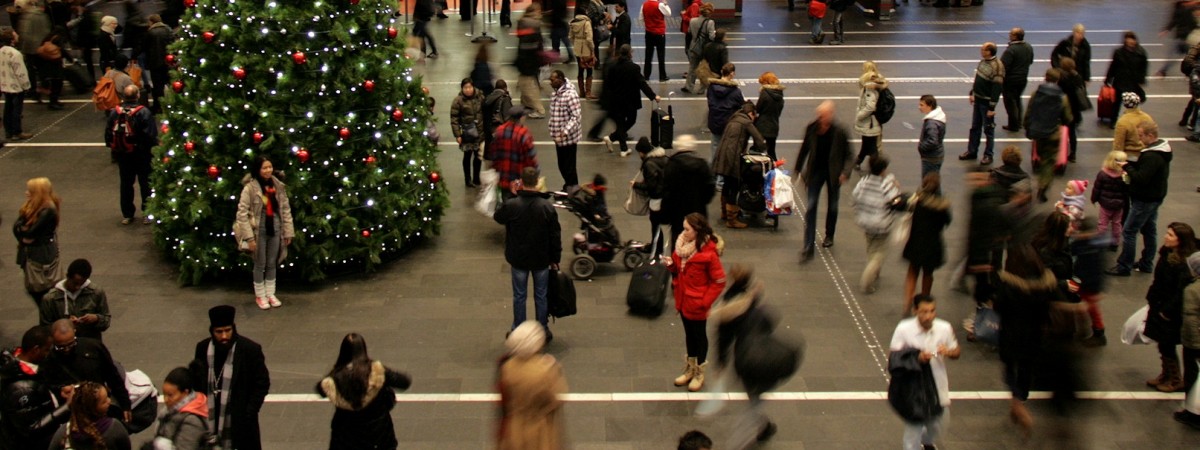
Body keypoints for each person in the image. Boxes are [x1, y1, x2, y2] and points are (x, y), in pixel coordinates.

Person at [711, 267, 789, 447]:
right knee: (755, 400)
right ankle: (764, 425)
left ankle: (740, 442)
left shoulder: (728, 309)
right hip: (766, 356)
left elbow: (723, 340)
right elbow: (771, 321)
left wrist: (721, 363)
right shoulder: (756, 303)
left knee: (751, 407)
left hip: (747, 361)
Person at [992, 245, 1057, 437]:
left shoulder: (1008, 285)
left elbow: (998, 307)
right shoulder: (1046, 285)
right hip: (1035, 334)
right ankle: (1021, 398)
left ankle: (1017, 404)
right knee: (1027, 368)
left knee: (1009, 367)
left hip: (1011, 334)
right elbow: (1048, 310)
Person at [494, 167, 562, 339]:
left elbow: (498, 217)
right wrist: (555, 258)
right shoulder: (546, 206)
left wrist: (512, 195)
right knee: (541, 295)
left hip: (518, 257)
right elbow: (555, 235)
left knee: (519, 295)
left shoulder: (513, 204)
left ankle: (518, 329)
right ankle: (542, 330)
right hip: (541, 258)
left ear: (521, 182)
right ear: (538, 182)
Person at [191, 305, 271, 450]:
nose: (224, 336)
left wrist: (249, 412)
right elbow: (196, 381)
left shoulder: (249, 349)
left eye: (227, 330)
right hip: (209, 418)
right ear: (212, 331)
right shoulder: (202, 348)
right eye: (219, 332)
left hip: (241, 423)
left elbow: (262, 383)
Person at [888, 294, 960, 450]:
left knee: (939, 423)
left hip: (938, 385)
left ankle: (927, 442)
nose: (929, 316)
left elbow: (956, 351)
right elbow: (894, 356)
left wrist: (948, 352)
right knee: (913, 429)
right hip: (913, 387)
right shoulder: (903, 329)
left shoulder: (944, 328)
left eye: (932, 311)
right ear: (915, 311)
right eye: (924, 312)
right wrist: (917, 357)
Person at [317, 333, 413, 450]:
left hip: (346, 438)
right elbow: (404, 382)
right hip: (379, 436)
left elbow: (321, 389)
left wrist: (335, 371)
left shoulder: (334, 379)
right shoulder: (376, 372)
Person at [666, 213, 725, 392]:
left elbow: (719, 281)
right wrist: (671, 265)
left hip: (696, 303)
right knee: (689, 336)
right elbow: (678, 267)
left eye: (687, 229)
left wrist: (705, 301)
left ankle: (699, 371)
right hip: (683, 300)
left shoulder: (708, 254)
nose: (683, 232)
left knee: (699, 337)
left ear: (696, 231)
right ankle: (691, 369)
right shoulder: (682, 245)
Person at [1108, 120, 1172, 276]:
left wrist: (1126, 167)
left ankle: (1124, 265)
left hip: (1144, 199)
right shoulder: (1161, 151)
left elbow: (1141, 177)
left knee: (1129, 231)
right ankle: (1146, 263)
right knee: (1149, 230)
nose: (1139, 139)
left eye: (1141, 135)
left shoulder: (1151, 156)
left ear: (1150, 135)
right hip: (1155, 197)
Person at [1142, 223, 1198, 393]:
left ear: (1181, 240)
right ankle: (1166, 373)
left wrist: (1167, 311)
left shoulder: (1185, 264)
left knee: (1168, 343)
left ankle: (1175, 378)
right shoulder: (1166, 253)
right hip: (1159, 303)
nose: (1166, 237)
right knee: (1162, 343)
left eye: (1171, 235)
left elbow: (1181, 292)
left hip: (1171, 310)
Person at [234, 156, 295, 310]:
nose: (268, 170)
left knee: (272, 262)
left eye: (270, 167)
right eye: (264, 168)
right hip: (258, 230)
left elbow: (285, 209)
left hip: (275, 227)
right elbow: (242, 214)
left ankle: (271, 293)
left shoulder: (278, 186)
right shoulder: (250, 188)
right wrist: (249, 237)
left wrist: (288, 232)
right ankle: (260, 295)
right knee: (260, 263)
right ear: (258, 170)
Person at [40, 320, 131, 420]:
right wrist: (60, 389)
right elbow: (46, 385)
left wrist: (125, 404)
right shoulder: (48, 359)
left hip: (99, 407)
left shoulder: (93, 347)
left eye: (70, 345)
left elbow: (113, 377)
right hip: (71, 413)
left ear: (75, 332)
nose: (66, 350)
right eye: (61, 347)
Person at [795, 100, 853, 261]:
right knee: (811, 206)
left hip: (833, 173)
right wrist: (798, 169)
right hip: (815, 171)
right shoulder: (812, 128)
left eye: (823, 116)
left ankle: (829, 234)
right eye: (819, 116)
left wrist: (845, 173)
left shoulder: (840, 131)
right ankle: (808, 245)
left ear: (830, 115)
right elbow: (804, 148)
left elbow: (849, 155)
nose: (820, 119)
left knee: (833, 206)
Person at [495, 321, 567, 450]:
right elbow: (554, 400)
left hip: (515, 428)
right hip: (539, 429)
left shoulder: (508, 367)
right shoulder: (544, 371)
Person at [0, 325, 58, 450]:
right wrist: (66, 408)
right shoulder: (20, 389)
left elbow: (42, 387)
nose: (49, 354)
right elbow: (31, 429)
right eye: (47, 350)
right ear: (36, 350)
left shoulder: (28, 367)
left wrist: (59, 390)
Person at [901, 173, 952, 314]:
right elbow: (947, 222)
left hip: (916, 242)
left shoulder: (917, 201)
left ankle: (908, 302)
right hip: (933, 245)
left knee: (912, 271)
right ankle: (924, 300)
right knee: (928, 274)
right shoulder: (942, 206)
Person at [106, 84, 156, 224]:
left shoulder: (115, 112)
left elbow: (108, 133)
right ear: (138, 96)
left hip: (124, 154)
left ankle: (127, 214)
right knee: (145, 183)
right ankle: (147, 213)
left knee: (126, 184)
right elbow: (150, 135)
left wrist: (115, 150)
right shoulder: (143, 112)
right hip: (141, 154)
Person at [598, 44, 659, 156]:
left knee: (620, 124)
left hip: (616, 101)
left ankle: (612, 139)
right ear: (630, 53)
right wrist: (653, 96)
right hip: (630, 101)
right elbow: (642, 84)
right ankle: (623, 149)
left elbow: (608, 83)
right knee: (631, 120)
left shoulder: (613, 66)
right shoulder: (634, 68)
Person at [712, 101, 764, 229]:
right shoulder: (746, 122)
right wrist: (759, 148)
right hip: (733, 157)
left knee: (727, 184)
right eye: (754, 115)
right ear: (751, 113)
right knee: (734, 185)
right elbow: (759, 140)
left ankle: (724, 212)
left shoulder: (733, 119)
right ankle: (732, 219)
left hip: (722, 155)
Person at [852, 154, 899, 294]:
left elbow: (855, 195)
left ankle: (875, 271)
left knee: (871, 247)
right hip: (882, 223)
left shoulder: (864, 181)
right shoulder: (886, 184)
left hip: (866, 221)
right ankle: (868, 277)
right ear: (883, 169)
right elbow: (895, 200)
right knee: (880, 253)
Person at [1023, 68, 1072, 203]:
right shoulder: (1062, 97)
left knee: (1040, 156)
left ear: (1045, 77)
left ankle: (1041, 182)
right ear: (1058, 80)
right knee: (1049, 162)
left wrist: (1027, 127)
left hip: (1038, 132)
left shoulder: (1036, 94)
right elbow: (1067, 118)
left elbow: (1029, 112)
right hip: (1053, 133)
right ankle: (1043, 186)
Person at [14, 177, 63, 302]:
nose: (26, 192)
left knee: (40, 286)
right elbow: (16, 227)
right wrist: (23, 233)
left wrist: (23, 231)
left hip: (41, 253)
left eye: (29, 190)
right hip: (32, 251)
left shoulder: (48, 210)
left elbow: (29, 233)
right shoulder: (32, 206)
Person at [39, 259, 110, 341]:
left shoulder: (96, 293)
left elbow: (106, 319)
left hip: (89, 342)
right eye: (75, 283)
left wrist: (96, 318)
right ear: (68, 276)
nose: (78, 287)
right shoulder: (51, 298)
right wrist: (64, 325)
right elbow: (44, 329)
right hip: (63, 344)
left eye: (81, 284)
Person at [662, 135, 716, 242]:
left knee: (678, 240)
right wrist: (702, 201)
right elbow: (710, 188)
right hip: (698, 211)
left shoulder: (671, 165)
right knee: (699, 240)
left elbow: (666, 191)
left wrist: (666, 212)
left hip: (677, 213)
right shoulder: (702, 165)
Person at [47, 381, 131, 450]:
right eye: (104, 401)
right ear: (93, 408)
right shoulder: (115, 428)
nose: (109, 401)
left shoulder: (64, 432)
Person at [959, 42, 1004, 166]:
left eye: (983, 49)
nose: (981, 50)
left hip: (986, 103)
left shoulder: (997, 66)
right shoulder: (983, 62)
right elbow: (977, 78)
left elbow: (997, 88)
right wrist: (972, 92)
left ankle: (988, 155)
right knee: (975, 127)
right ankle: (972, 151)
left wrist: (992, 107)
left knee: (988, 130)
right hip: (978, 99)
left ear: (989, 51)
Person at [1071, 218, 1111, 347]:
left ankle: (1099, 333)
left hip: (1091, 283)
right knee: (1083, 306)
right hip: (1081, 279)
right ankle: (1083, 329)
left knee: (1092, 308)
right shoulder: (1081, 242)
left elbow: (1100, 268)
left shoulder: (1096, 246)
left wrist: (1099, 288)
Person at [149, 367, 209, 450]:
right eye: (164, 394)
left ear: (185, 393)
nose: (166, 399)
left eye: (170, 395)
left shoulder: (192, 420)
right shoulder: (169, 412)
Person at [486, 106, 538, 200]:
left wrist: (496, 168)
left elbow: (493, 153)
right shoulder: (524, 134)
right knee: (520, 204)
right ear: (521, 118)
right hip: (519, 178)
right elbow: (530, 158)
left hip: (504, 176)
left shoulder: (499, 131)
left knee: (506, 203)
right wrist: (535, 173)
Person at [633, 137, 669, 258]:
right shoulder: (662, 158)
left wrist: (636, 184)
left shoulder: (649, 164)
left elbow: (651, 186)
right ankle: (656, 247)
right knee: (656, 224)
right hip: (666, 196)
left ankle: (657, 250)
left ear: (642, 152)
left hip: (657, 199)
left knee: (656, 225)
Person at [1103, 31, 1149, 124]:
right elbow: (1113, 66)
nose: (1130, 42)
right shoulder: (1118, 52)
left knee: (1133, 103)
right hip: (1120, 80)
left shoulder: (1141, 53)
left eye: (1132, 39)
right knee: (1117, 103)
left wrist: (1141, 79)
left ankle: (1133, 120)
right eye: (1128, 40)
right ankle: (1113, 120)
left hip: (1133, 81)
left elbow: (1143, 68)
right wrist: (1108, 79)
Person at [1177, 252, 1200, 428]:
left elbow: (1191, 318)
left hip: (1194, 341)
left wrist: (1193, 343)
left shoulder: (1192, 290)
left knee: (1192, 376)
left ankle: (1193, 413)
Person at [548, 70, 582, 190]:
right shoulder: (555, 94)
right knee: (562, 165)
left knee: (569, 167)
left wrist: (564, 132)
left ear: (560, 79)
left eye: (552, 80)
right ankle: (569, 186)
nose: (550, 83)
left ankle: (573, 189)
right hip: (559, 139)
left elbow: (576, 117)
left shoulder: (570, 95)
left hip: (568, 139)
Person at [1092, 151, 1130, 251]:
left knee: (1102, 224)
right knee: (1117, 224)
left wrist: (1094, 199)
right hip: (1119, 205)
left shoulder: (1102, 174)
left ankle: (1100, 242)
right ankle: (1115, 243)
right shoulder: (1125, 175)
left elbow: (1097, 188)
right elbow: (1128, 188)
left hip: (1105, 204)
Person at [853, 61, 888, 169]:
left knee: (872, 146)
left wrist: (859, 115)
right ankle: (858, 161)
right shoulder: (878, 83)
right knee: (867, 143)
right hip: (873, 122)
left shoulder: (869, 86)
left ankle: (877, 167)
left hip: (870, 123)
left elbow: (870, 106)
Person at [0, 28, 33, 140]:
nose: (18, 35)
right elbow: (21, 72)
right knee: (16, 110)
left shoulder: (1, 51)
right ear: (12, 39)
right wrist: (26, 85)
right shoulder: (15, 53)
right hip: (16, 86)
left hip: (5, 85)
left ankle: (8, 132)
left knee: (7, 108)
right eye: (15, 34)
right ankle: (17, 131)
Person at [706, 63, 743, 159]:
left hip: (714, 121)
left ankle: (713, 170)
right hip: (728, 123)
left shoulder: (711, 87)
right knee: (728, 150)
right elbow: (740, 106)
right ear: (732, 74)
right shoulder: (735, 91)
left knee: (714, 147)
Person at [999, 28, 1034, 133]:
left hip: (1011, 80)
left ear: (1015, 36)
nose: (1009, 34)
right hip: (1023, 78)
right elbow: (1031, 60)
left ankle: (1013, 125)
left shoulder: (1011, 50)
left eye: (1011, 33)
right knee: (1018, 99)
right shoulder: (1028, 47)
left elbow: (1003, 65)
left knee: (1010, 102)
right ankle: (1019, 122)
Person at [451, 78, 484, 188]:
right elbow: (454, 119)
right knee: (467, 156)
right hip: (467, 133)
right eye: (466, 88)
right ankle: (468, 179)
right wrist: (457, 135)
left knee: (478, 156)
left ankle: (476, 177)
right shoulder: (458, 101)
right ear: (462, 88)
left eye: (470, 87)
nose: (468, 90)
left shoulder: (480, 97)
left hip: (479, 131)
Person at [514, 4, 546, 119]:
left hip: (526, 62)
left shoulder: (524, 23)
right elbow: (539, 44)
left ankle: (539, 110)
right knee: (528, 85)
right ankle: (527, 106)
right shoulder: (534, 24)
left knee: (528, 87)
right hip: (532, 61)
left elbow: (524, 45)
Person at [1056, 57, 1087, 161]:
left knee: (1060, 130)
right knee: (1072, 132)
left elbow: (1058, 93)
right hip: (1075, 109)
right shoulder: (1078, 77)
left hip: (1064, 108)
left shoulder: (1062, 79)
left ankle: (1060, 151)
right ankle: (1073, 153)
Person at [1156, 1, 1197, 77]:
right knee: (1179, 55)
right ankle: (1163, 71)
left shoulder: (1192, 8)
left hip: (1189, 37)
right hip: (1183, 37)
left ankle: (1163, 71)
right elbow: (1174, 20)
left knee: (1188, 56)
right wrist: (1167, 29)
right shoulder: (1179, 8)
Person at [681, 4, 715, 94]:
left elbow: (689, 31)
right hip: (705, 49)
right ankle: (701, 89)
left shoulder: (692, 20)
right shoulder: (710, 22)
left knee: (692, 68)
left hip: (694, 47)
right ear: (710, 12)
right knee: (704, 69)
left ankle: (689, 87)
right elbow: (712, 37)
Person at [143, 14, 173, 112]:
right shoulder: (168, 30)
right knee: (171, 83)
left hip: (155, 63)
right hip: (168, 62)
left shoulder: (150, 32)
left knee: (157, 87)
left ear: (151, 22)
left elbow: (146, 47)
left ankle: (158, 106)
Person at [1111, 92, 1153, 161]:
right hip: (1145, 154)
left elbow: (1118, 144)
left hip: (1130, 156)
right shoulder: (1147, 117)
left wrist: (1117, 160)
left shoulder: (1123, 121)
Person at [38, 26, 70, 110]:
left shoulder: (47, 38)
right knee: (58, 83)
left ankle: (53, 101)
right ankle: (53, 102)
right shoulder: (58, 38)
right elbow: (62, 51)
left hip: (46, 63)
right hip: (55, 64)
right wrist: (71, 59)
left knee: (53, 83)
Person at [755, 72, 784, 161]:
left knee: (757, 151)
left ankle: (757, 170)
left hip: (762, 125)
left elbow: (758, 109)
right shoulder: (780, 95)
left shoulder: (764, 93)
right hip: (774, 125)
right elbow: (779, 112)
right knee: (771, 151)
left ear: (766, 82)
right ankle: (774, 169)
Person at [917, 95, 946, 182]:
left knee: (929, 183)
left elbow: (933, 141)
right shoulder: (938, 118)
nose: (919, 107)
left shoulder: (931, 123)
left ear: (929, 106)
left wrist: (921, 147)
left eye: (922, 105)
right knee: (933, 182)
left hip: (931, 156)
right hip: (936, 155)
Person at [569, 7, 596, 99]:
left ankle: (581, 92)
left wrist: (576, 43)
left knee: (580, 70)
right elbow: (589, 38)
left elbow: (570, 37)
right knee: (589, 70)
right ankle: (588, 93)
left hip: (577, 49)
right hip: (586, 49)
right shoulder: (586, 23)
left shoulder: (573, 22)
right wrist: (592, 49)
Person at [641, 0, 670, 81]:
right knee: (661, 55)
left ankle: (646, 75)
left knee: (648, 55)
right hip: (659, 34)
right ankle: (662, 76)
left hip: (649, 33)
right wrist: (666, 5)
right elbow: (668, 13)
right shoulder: (660, 5)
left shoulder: (644, 5)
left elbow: (641, 18)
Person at [483, 79, 514, 152]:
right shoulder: (505, 99)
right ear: (505, 88)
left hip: (488, 130)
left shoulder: (488, 98)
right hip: (500, 130)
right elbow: (508, 117)